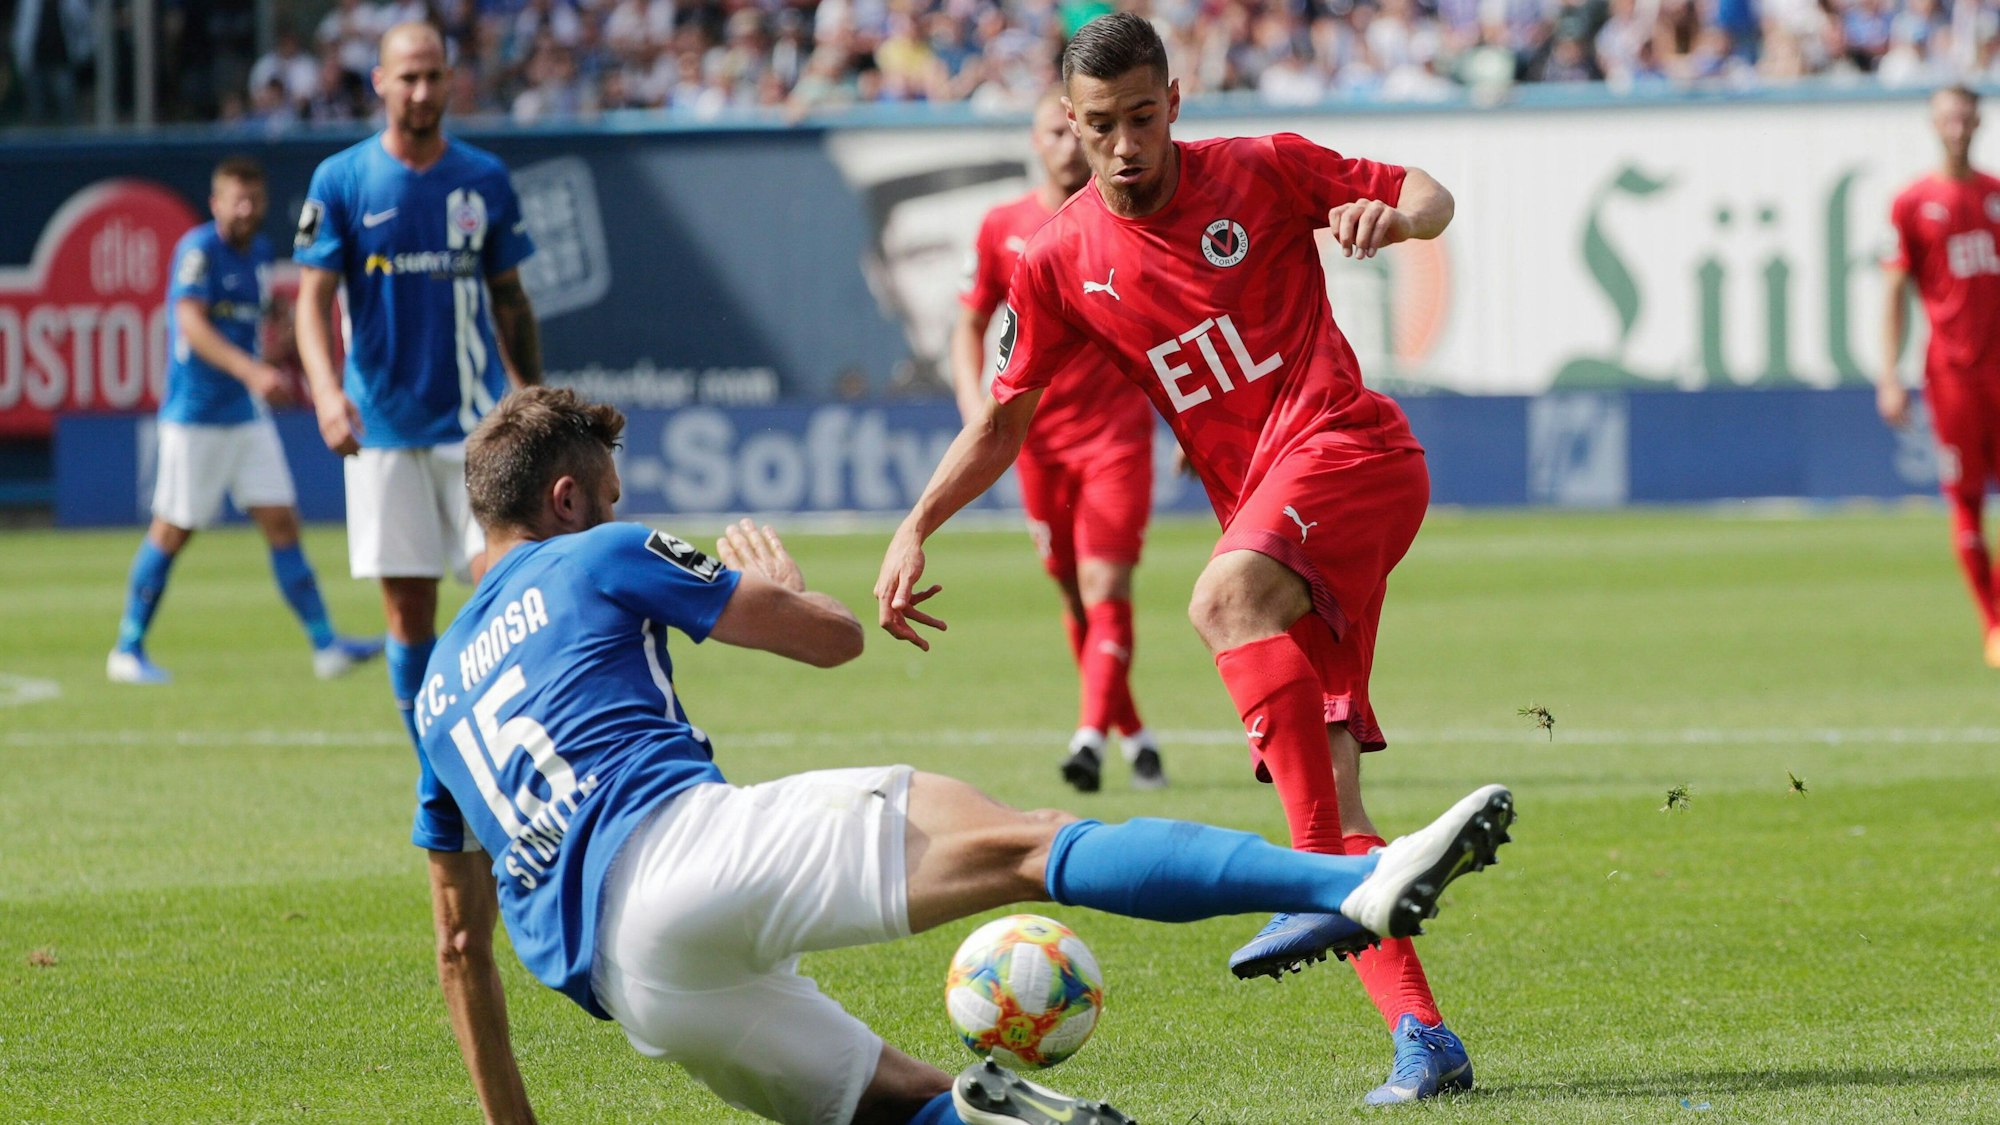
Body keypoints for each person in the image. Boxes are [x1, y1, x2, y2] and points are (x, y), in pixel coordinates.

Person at [414, 385, 1516, 1125]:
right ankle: (1355, 881)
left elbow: (461, 944)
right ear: (567, 501)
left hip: (640, 992)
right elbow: (830, 643)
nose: (619, 510)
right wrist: (786, 588)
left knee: (914, 1107)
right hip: (683, 853)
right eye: (607, 497)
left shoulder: (430, 698)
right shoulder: (599, 554)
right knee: (1025, 846)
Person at [875, 13, 1475, 1105]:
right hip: (1268, 507)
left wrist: (1388, 220)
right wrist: (918, 523)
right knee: (1323, 815)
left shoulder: (1262, 170)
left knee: (1219, 597)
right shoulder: (1057, 258)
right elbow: (1002, 420)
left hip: (1350, 452)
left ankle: (1318, 898)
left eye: (1141, 119)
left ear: (1174, 104)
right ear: (1069, 122)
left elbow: (1432, 194)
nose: (1121, 146)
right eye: (1098, 125)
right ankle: (1422, 1040)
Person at [294, 22, 541, 749]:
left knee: (507, 596)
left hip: (477, 428)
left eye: (434, 75)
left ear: (450, 79)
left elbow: (510, 298)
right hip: (382, 428)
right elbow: (310, 302)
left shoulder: (484, 177)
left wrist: (529, 392)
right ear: (379, 82)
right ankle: (437, 771)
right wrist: (324, 393)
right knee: (408, 613)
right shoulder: (341, 180)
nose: (423, 90)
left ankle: (510, 755)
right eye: (408, 77)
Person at [951, 88, 1164, 792]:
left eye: (1078, 131)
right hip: (1035, 444)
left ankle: (1088, 739)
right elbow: (971, 321)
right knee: (1074, 597)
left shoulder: (1128, 217)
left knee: (1106, 582)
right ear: (1040, 139)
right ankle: (1133, 732)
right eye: (1056, 131)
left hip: (1116, 437)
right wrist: (971, 403)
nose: (1071, 145)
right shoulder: (1002, 226)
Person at [108, 156, 382, 686]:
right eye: (236, 198)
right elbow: (190, 323)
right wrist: (252, 371)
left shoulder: (257, 253)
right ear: (216, 203)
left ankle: (326, 645)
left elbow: (248, 329)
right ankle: (127, 646)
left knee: (282, 521)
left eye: (254, 198)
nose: (246, 208)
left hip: (245, 416)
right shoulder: (198, 251)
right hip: (196, 418)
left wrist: (273, 357)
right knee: (172, 530)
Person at [1880, 84, 2000, 667]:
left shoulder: (1997, 195)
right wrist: (1888, 373)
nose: (1958, 126)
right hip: (1952, 377)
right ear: (1935, 124)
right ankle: (1994, 626)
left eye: (1966, 115)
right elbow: (1893, 291)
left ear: (1977, 121)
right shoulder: (1911, 204)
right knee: (1966, 501)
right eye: (1948, 117)